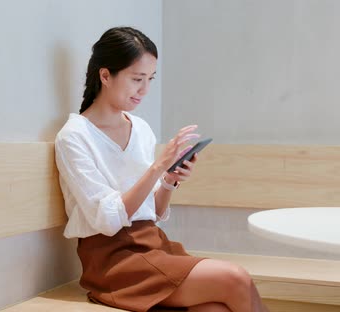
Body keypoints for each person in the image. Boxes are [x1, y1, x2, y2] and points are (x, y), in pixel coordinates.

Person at [54, 27, 269, 312]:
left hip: (153, 245)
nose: (144, 90)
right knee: (235, 278)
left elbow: (152, 212)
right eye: (137, 79)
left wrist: (168, 181)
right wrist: (157, 168)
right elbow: (106, 221)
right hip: (113, 259)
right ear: (105, 76)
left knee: (215, 308)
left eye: (150, 79)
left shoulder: (139, 128)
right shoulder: (74, 136)